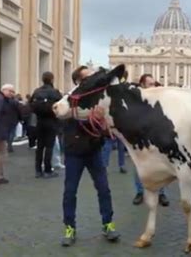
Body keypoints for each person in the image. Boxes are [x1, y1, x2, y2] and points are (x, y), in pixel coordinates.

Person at [60, 65, 120, 247]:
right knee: (70, 192)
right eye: (87, 78)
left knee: (104, 189)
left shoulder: (97, 99)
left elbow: (105, 130)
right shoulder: (68, 100)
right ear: (78, 81)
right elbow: (61, 117)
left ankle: (108, 224)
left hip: (94, 150)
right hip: (74, 152)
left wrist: (102, 123)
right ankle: (69, 228)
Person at [132, 74, 170, 207]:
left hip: (157, 137)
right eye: (150, 84)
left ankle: (161, 193)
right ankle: (139, 192)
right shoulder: (136, 101)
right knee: (139, 166)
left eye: (154, 84)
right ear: (142, 85)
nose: (153, 86)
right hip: (140, 138)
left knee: (161, 165)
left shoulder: (161, 99)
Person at [30, 72, 62, 179]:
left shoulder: (36, 91)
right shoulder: (55, 92)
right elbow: (61, 106)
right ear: (52, 80)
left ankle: (38, 170)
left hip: (39, 122)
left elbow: (31, 105)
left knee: (40, 147)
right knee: (49, 146)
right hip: (51, 122)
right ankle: (48, 170)